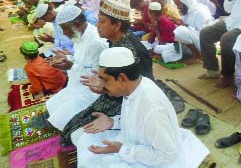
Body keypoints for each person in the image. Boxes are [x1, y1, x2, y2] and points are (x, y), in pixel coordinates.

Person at [72, 47, 209, 167]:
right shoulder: (135, 86)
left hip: (155, 160)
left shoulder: (152, 108)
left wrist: (121, 149)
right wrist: (113, 122)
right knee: (82, 138)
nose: (102, 85)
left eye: (105, 80)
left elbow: (167, 155)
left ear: (122, 78)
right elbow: (134, 118)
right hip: (132, 143)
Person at [60, 0, 153, 147]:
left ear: (117, 25)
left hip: (126, 106)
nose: (97, 25)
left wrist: (113, 119)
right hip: (112, 96)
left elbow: (140, 91)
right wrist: (102, 85)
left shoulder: (134, 52)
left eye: (102, 22)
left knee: (79, 134)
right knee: (74, 125)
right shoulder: (113, 42)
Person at [45, 5, 109, 131]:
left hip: (92, 91)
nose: (64, 33)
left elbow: (99, 77)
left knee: (60, 118)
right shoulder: (79, 34)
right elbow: (82, 61)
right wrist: (67, 58)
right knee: (52, 105)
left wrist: (71, 66)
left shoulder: (96, 43)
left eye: (65, 29)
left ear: (77, 24)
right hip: (77, 85)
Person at [170, 0, 215, 64]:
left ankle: (197, 56)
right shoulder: (187, 11)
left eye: (178, 4)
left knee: (180, 31)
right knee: (163, 50)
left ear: (185, 0)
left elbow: (205, 32)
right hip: (196, 40)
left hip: (205, 42)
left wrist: (184, 25)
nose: (178, 7)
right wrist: (180, 23)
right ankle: (193, 53)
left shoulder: (200, 10)